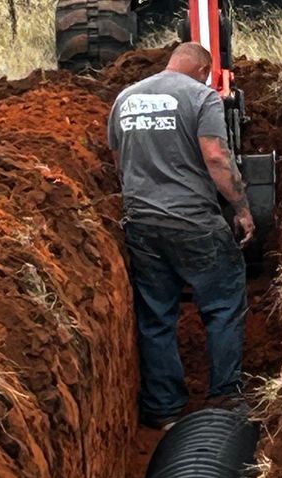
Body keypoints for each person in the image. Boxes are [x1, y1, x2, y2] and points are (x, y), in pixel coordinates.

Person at [108, 42, 255, 429]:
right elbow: (217, 157)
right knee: (223, 304)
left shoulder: (126, 98)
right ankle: (224, 396)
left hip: (142, 224)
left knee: (156, 315)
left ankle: (165, 409)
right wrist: (241, 209)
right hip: (193, 222)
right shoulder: (202, 96)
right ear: (204, 69)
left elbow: (116, 156)